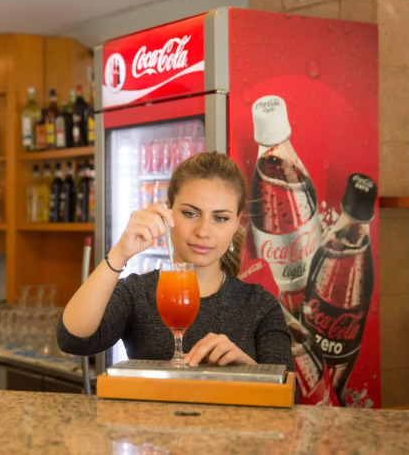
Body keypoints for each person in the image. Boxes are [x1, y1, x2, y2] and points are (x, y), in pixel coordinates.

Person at [57, 151, 293, 370]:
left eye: (220, 218)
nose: (203, 231)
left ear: (236, 222)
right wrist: (120, 253)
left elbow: (288, 393)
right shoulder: (138, 294)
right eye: (190, 213)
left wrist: (248, 368)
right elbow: (73, 340)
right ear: (167, 212)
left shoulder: (260, 305)